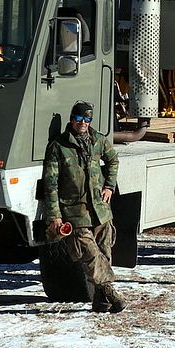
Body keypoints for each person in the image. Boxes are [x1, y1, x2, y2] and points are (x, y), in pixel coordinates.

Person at [42, 100, 124, 312]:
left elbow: (113, 160)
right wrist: (55, 216)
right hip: (75, 211)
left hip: (100, 209)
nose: (83, 123)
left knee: (105, 253)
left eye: (87, 119)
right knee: (89, 254)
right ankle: (109, 290)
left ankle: (100, 301)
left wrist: (109, 186)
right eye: (79, 119)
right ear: (72, 119)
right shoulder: (58, 147)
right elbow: (50, 185)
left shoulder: (98, 141)